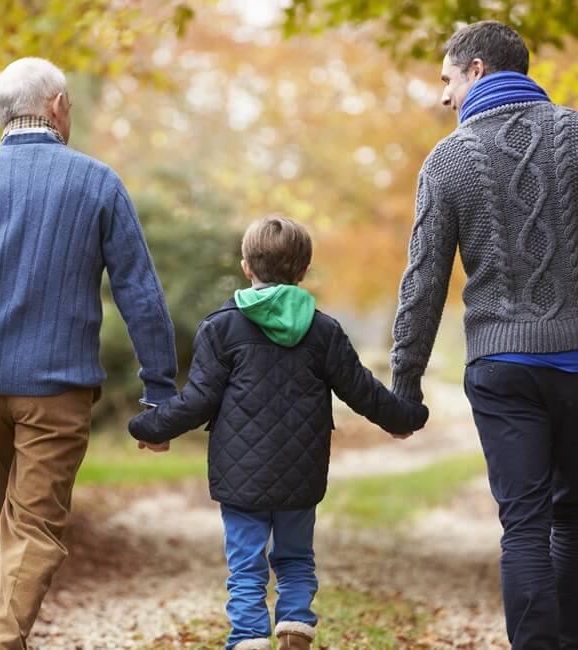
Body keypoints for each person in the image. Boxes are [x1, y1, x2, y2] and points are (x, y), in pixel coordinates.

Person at [388, 21, 578, 650]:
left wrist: (405, 383)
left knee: (525, 526)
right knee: (577, 513)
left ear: (477, 70)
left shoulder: (447, 161)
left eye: (447, 79)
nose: (444, 97)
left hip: (502, 366)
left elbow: (422, 280)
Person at [0, 57, 178, 649]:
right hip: (56, 389)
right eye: (69, 103)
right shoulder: (97, 182)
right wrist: (159, 392)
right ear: (55, 106)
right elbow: (140, 294)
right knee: (35, 530)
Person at [129, 215, 428, 650]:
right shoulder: (323, 331)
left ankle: (250, 637)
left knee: (246, 565)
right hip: (300, 472)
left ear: (247, 266)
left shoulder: (222, 328)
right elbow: (361, 389)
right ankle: (293, 626)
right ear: (303, 271)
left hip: (239, 473)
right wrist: (402, 419)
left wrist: (150, 427)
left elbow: (198, 400)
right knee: (295, 559)